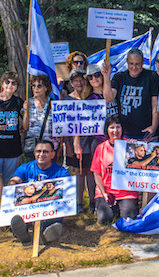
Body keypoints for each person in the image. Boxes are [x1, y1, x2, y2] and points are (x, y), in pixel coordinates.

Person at [9, 141, 70, 244]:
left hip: (50, 209)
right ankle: (23, 233)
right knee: (17, 217)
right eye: (38, 151)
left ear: (52, 154)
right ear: (34, 152)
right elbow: (14, 180)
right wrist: (14, 183)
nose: (41, 154)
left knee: (55, 218)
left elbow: (67, 193)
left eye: (45, 152)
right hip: (28, 209)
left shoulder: (61, 172)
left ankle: (45, 233)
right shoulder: (25, 167)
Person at [91, 116, 139, 225]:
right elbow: (96, 173)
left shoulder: (130, 146)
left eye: (118, 127)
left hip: (127, 192)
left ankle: (120, 209)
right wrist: (104, 194)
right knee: (104, 220)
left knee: (129, 220)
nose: (115, 131)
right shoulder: (101, 148)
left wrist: (135, 147)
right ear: (107, 130)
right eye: (112, 127)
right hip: (107, 192)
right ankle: (112, 209)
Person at [104, 48, 159, 140]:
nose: (134, 67)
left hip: (145, 133)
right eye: (131, 63)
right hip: (123, 133)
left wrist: (154, 127)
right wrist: (106, 76)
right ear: (127, 62)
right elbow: (109, 98)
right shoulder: (119, 77)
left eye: (137, 64)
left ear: (142, 62)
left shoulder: (151, 77)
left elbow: (155, 104)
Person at [63, 68, 95, 213]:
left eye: (81, 79)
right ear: (71, 83)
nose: (79, 82)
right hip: (74, 142)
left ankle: (93, 201)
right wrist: (68, 144)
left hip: (91, 140)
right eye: (75, 80)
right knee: (78, 171)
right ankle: (79, 203)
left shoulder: (92, 96)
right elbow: (63, 124)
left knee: (91, 172)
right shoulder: (67, 99)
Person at [22, 75, 58, 162]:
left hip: (50, 145)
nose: (36, 88)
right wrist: (26, 111)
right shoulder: (29, 102)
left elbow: (58, 126)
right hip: (33, 145)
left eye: (39, 86)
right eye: (33, 86)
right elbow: (25, 127)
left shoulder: (54, 104)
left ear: (46, 88)